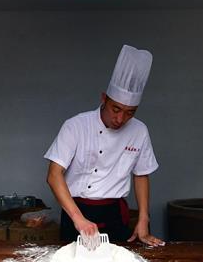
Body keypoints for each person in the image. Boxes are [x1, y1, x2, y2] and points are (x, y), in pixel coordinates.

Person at [44, 45, 165, 247]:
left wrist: (144, 218)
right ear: (104, 98)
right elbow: (54, 175)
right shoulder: (76, 126)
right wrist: (78, 219)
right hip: (76, 211)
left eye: (130, 112)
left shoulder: (139, 131)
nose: (120, 118)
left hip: (115, 214)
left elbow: (141, 174)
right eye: (115, 109)